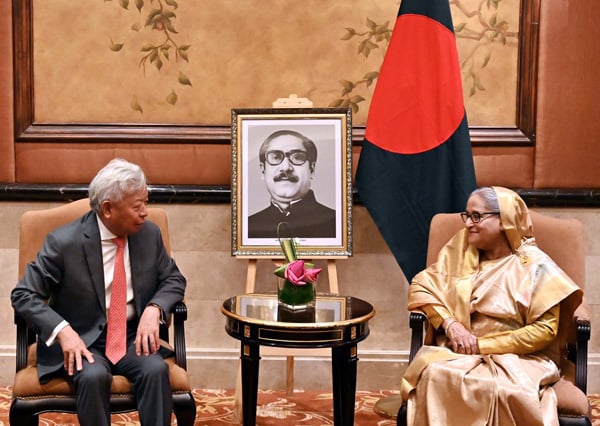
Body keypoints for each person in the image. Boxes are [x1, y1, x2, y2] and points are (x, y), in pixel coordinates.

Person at [11, 158, 186, 426]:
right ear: (107, 209)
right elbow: (23, 295)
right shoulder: (64, 243)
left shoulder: (148, 235)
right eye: (137, 206)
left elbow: (173, 278)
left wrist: (155, 309)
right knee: (93, 377)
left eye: (146, 203)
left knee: (155, 370)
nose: (145, 213)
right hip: (81, 339)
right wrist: (63, 332)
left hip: (131, 337)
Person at [399, 186, 583, 426]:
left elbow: (544, 331)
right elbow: (422, 286)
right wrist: (451, 325)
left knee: (505, 389)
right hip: (458, 352)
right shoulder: (460, 252)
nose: (468, 224)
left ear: (504, 219)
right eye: (467, 216)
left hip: (521, 358)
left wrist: (481, 345)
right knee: (434, 374)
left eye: (477, 216)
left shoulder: (535, 265)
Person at [247, 129, 336, 238]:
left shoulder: (336, 224)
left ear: (312, 170)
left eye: (297, 157)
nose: (286, 167)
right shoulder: (247, 228)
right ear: (263, 170)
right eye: (276, 157)